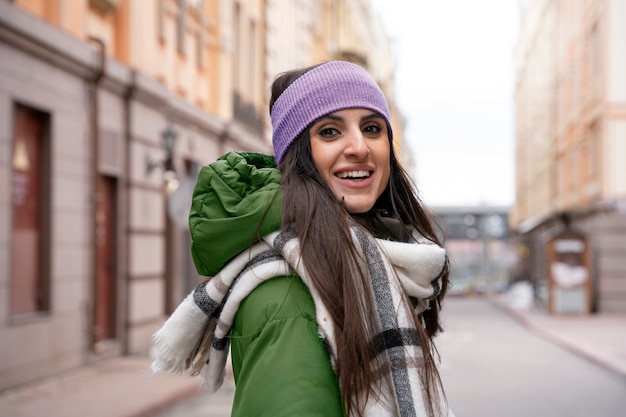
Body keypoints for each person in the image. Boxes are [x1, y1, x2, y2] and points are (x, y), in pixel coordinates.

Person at [151, 60, 454, 417]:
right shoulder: (290, 296)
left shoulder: (367, 263)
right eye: (329, 132)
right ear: (298, 155)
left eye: (372, 128)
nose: (359, 146)